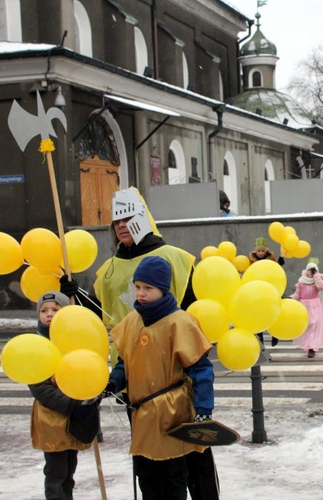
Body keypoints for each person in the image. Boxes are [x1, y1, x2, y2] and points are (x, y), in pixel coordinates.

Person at [60, 187, 219, 499]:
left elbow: (192, 310)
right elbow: (97, 317)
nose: (121, 225)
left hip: (176, 379)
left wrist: (199, 388)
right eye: (116, 220)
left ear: (143, 218)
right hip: (135, 381)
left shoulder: (175, 259)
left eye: (128, 217)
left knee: (192, 455)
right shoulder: (107, 272)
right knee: (150, 460)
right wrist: (72, 293)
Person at [107, 256, 215, 500]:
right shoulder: (132, 321)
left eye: (148, 288)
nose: (141, 293)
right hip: (141, 413)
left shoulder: (180, 322)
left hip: (172, 411)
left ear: (163, 289)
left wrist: (204, 408)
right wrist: (114, 382)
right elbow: (126, 362)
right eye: (137, 287)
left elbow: (201, 370)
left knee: (172, 474)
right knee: (146, 473)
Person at [29, 291, 99, 500]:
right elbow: (40, 387)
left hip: (72, 419)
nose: (49, 314)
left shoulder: (73, 342)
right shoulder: (37, 345)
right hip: (51, 419)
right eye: (44, 310)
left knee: (69, 470)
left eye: (55, 310)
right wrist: (71, 404)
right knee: (55, 473)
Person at [249, 237, 284, 347]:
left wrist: (280, 262)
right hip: (257, 293)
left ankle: (275, 335)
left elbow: (277, 271)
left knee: (272, 314)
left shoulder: (271, 260)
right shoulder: (250, 261)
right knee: (259, 319)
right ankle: (261, 345)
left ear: (266, 251)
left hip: (270, 292)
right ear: (256, 251)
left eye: (262, 250)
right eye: (259, 251)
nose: (260, 253)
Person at [290, 260, 323, 358]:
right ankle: (307, 344)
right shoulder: (301, 281)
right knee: (308, 324)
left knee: (315, 323)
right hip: (304, 305)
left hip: (315, 305)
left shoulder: (317, 281)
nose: (310, 272)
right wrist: (290, 299)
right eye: (309, 270)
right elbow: (297, 294)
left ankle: (312, 347)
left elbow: (322, 286)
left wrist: (316, 276)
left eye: (312, 270)